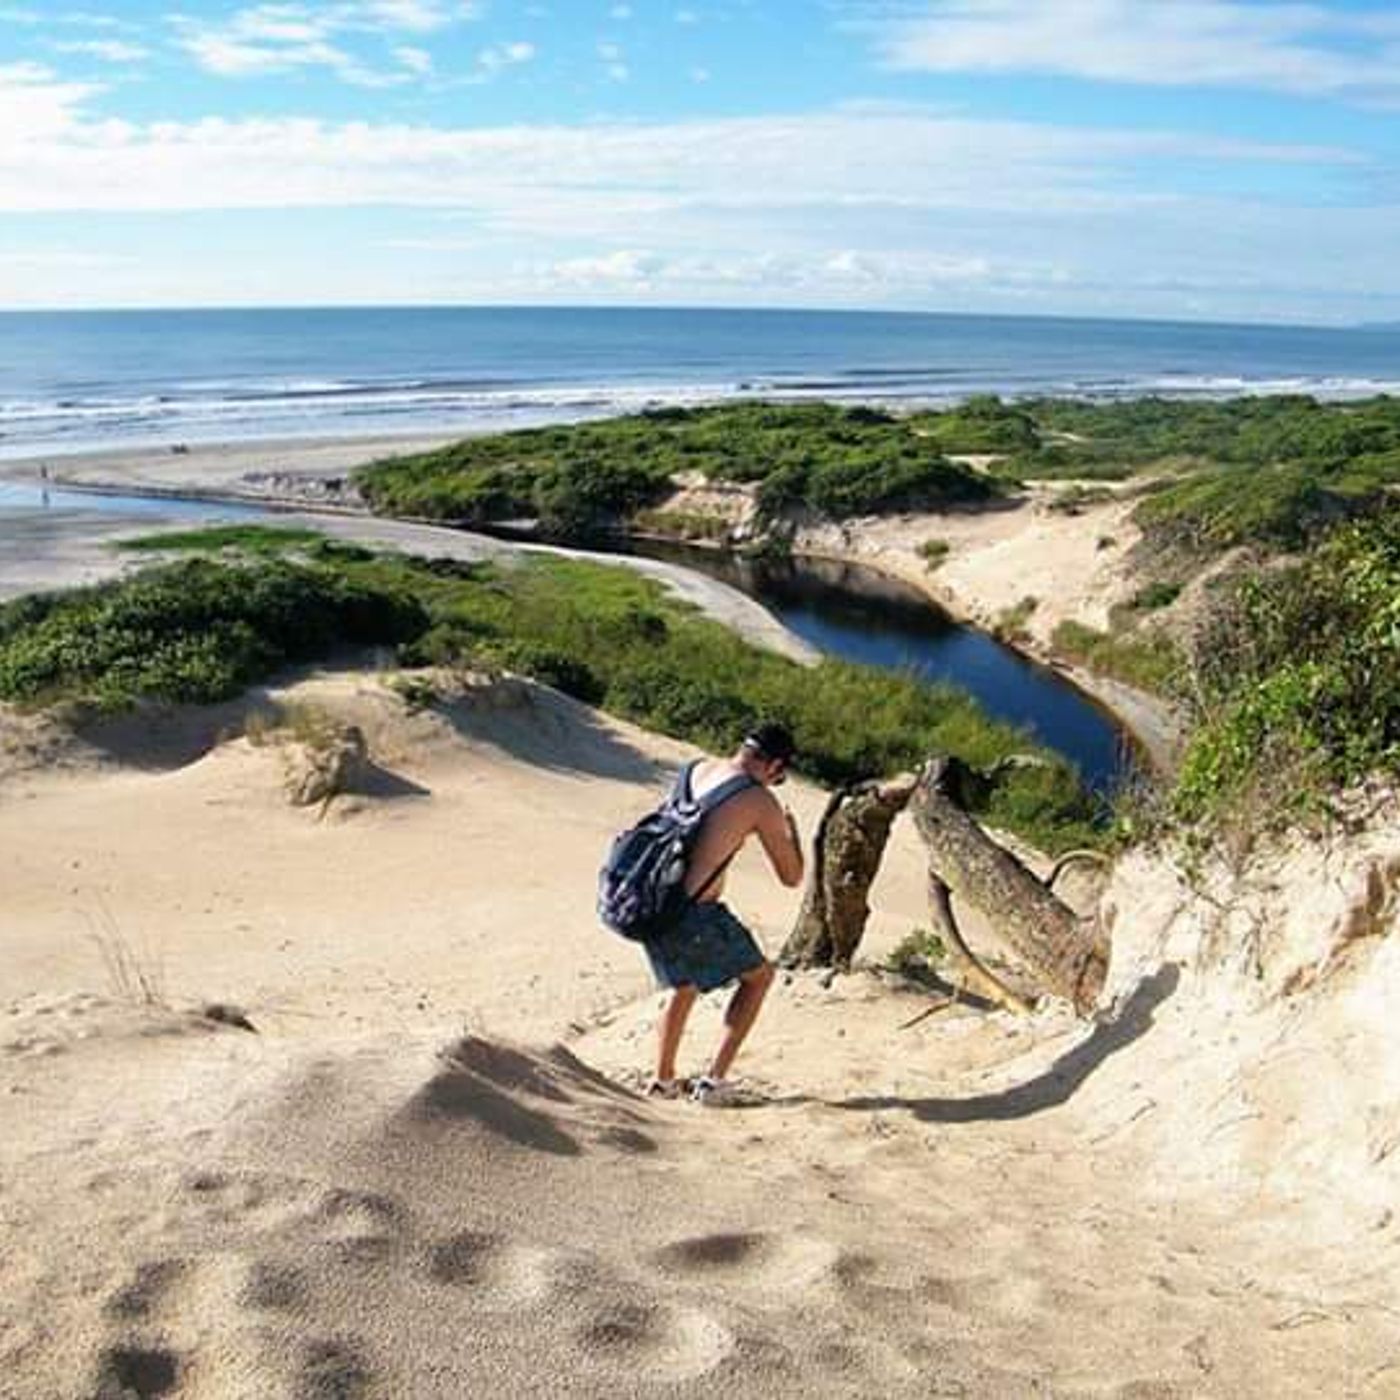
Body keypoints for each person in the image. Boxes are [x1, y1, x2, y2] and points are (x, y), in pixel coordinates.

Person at [645, 722, 804, 1105]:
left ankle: (663, 1080)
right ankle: (714, 1083)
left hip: (651, 901)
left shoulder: (695, 770)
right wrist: (790, 834)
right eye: (779, 776)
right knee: (759, 979)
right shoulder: (759, 800)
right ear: (775, 766)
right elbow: (791, 876)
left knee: (684, 985)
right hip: (695, 912)